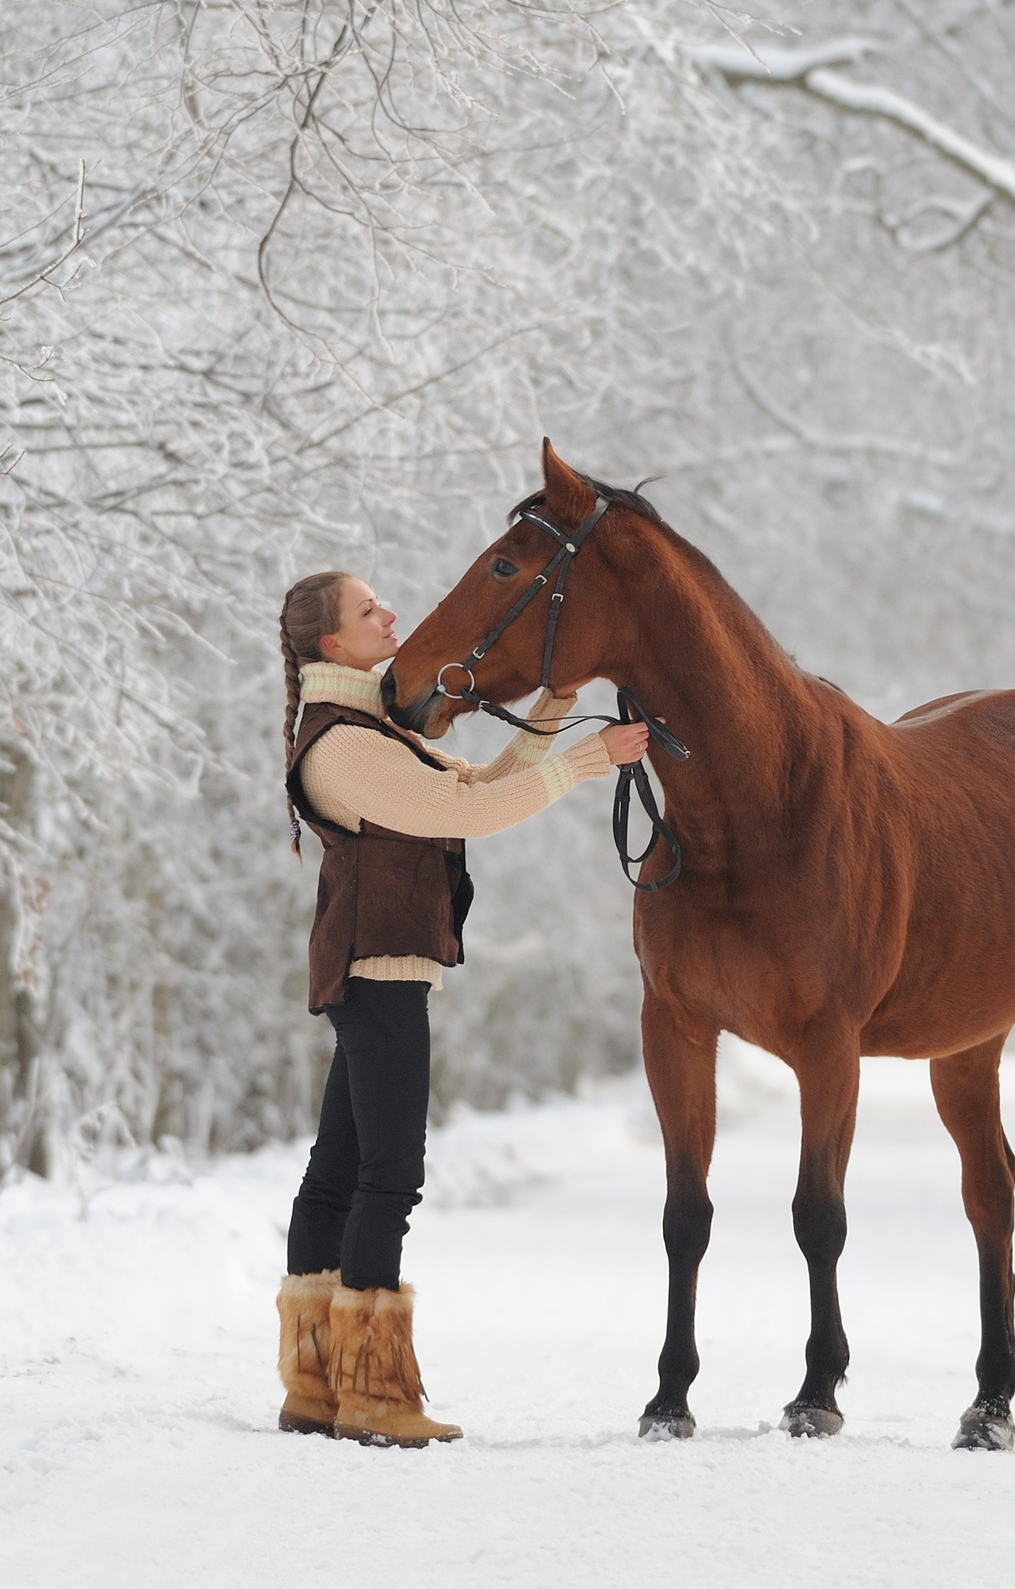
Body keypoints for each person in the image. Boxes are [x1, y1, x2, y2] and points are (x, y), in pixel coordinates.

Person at [272, 569, 649, 1447]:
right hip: (379, 972)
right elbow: (465, 812)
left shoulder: (368, 726)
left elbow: (480, 780)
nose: (390, 614)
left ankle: (316, 1383)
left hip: (376, 970)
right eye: (369, 610)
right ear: (332, 644)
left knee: (341, 1167)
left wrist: (558, 700)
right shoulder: (343, 744)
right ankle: (371, 1392)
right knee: (387, 1175)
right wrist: (589, 763)